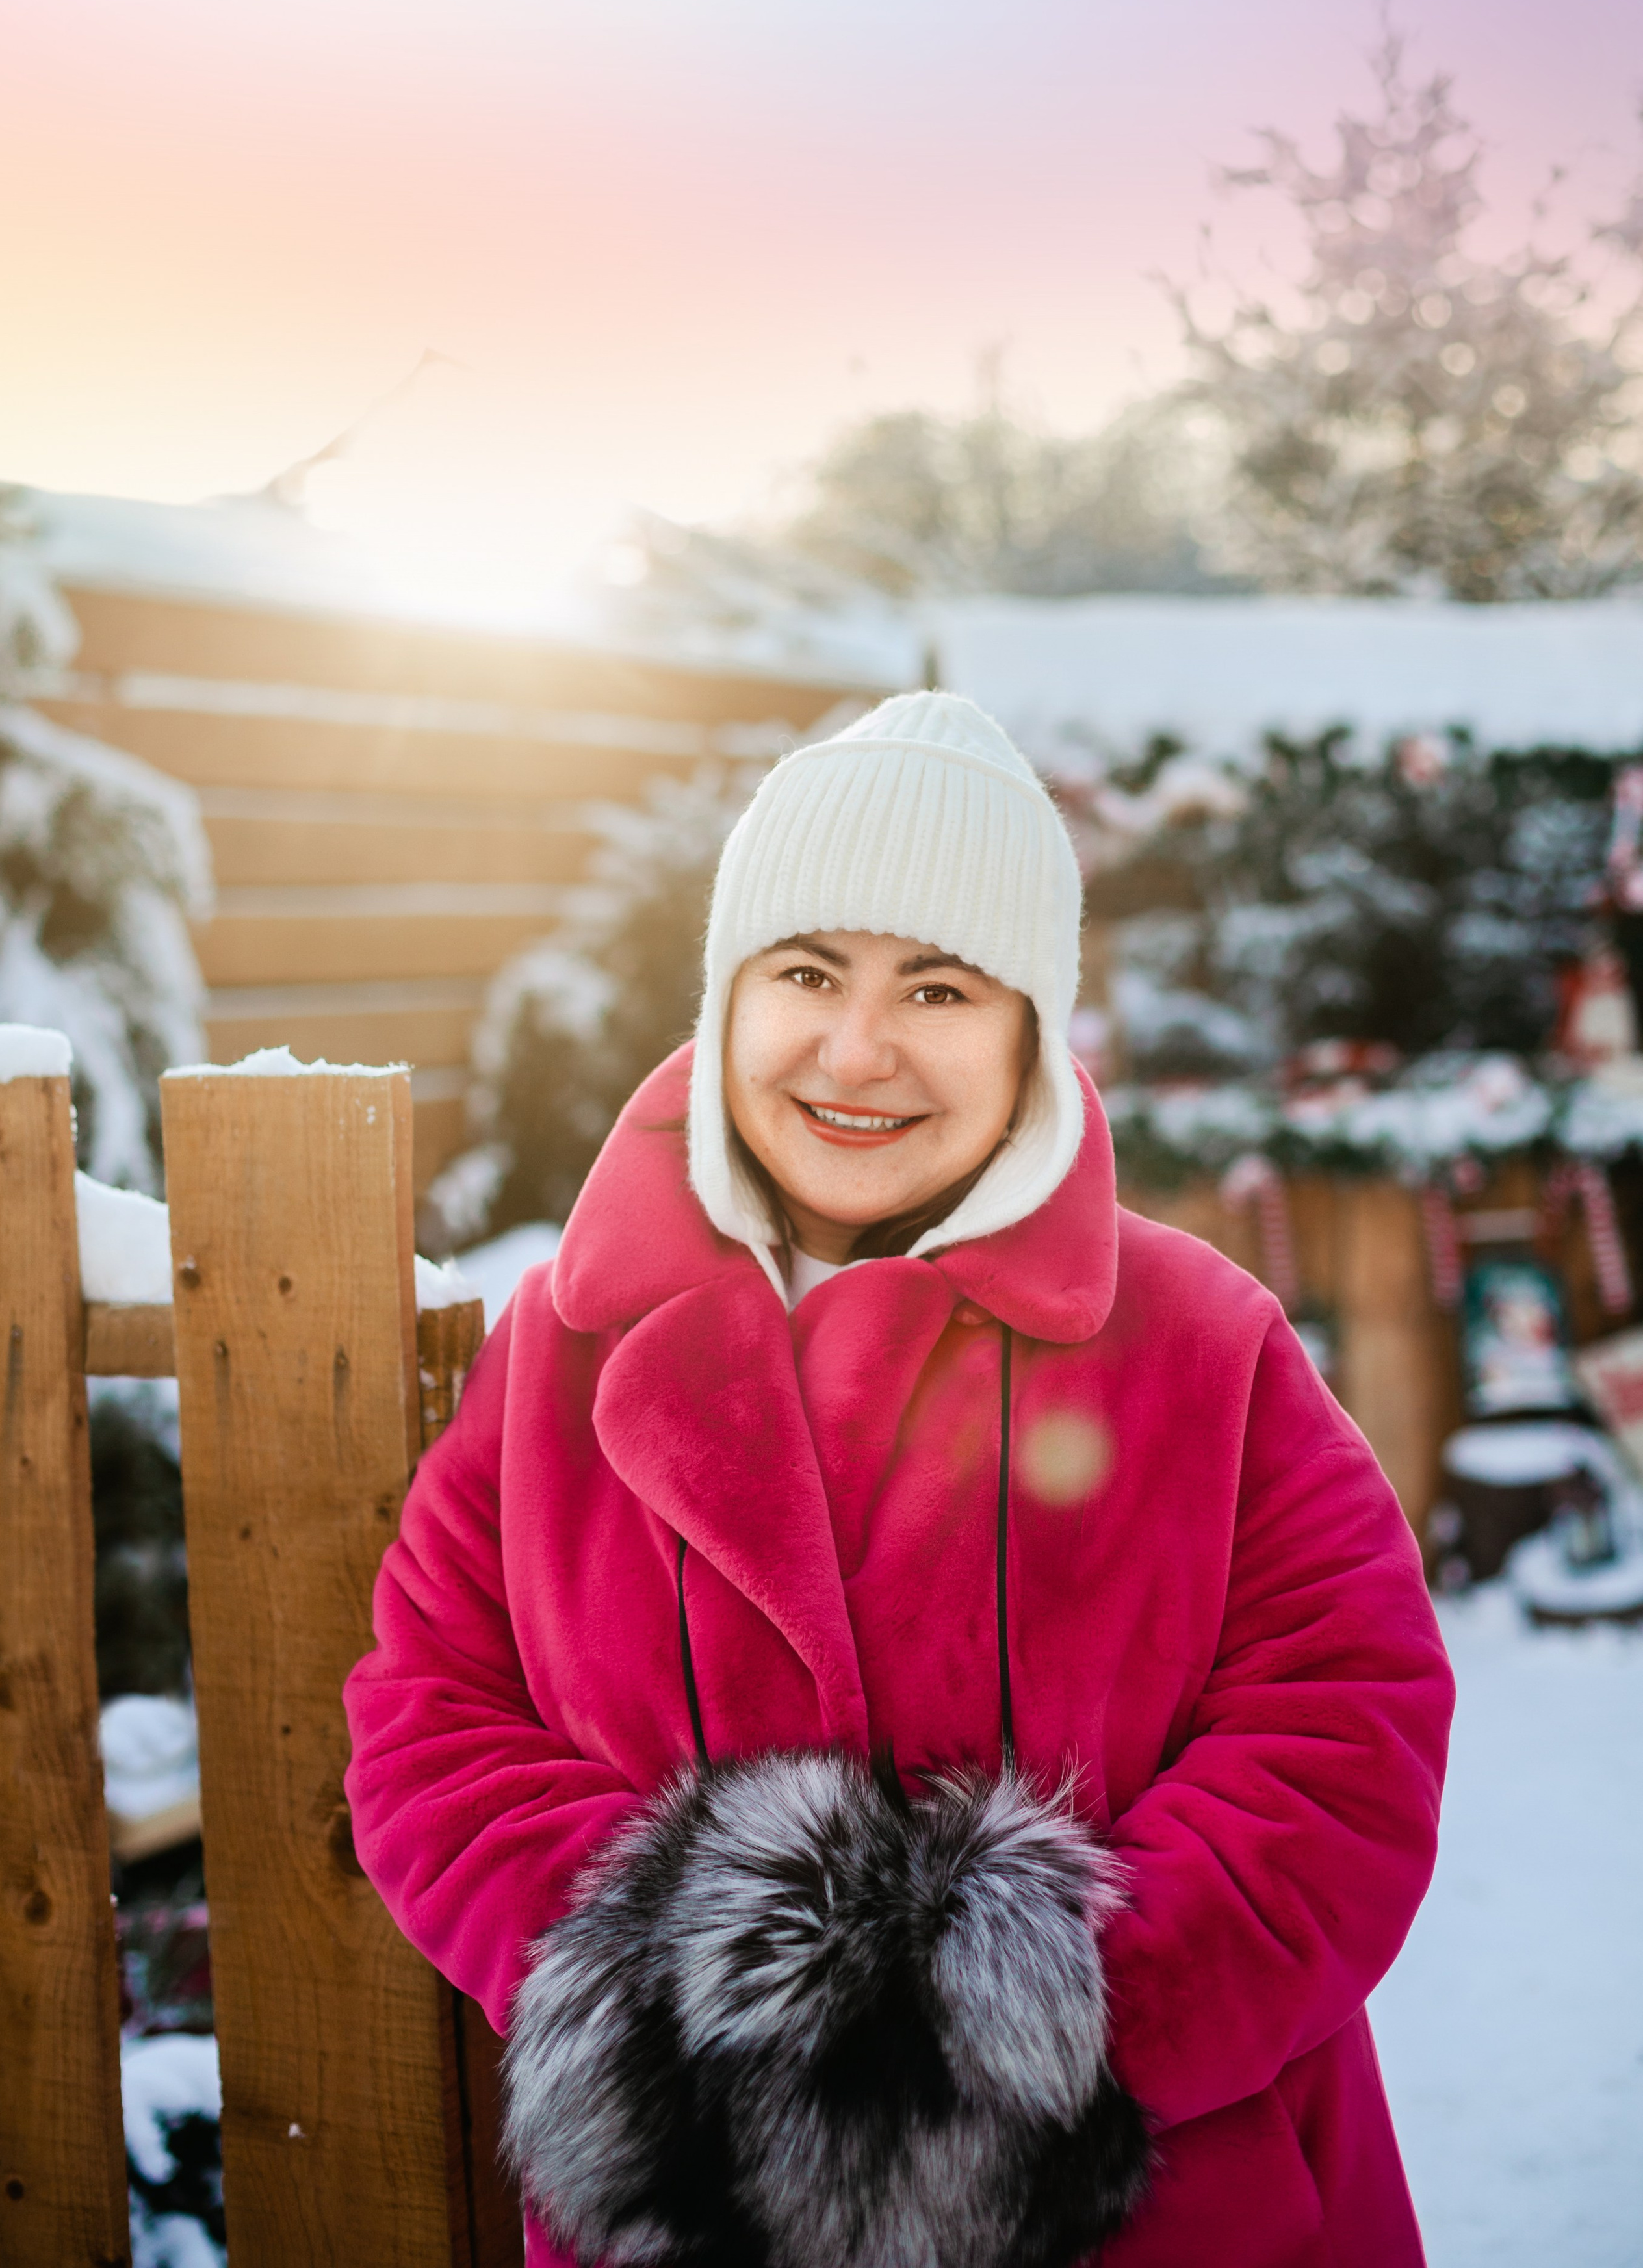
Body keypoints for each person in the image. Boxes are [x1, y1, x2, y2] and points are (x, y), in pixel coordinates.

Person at [344, 691, 1454, 2268]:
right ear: (728, 995)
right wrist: (687, 2001)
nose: (855, 1050)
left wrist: (1026, 2033)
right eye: (805, 972)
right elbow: (431, 1712)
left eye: (934, 987)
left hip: (1149, 2199)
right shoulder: (558, 1348)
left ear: (1029, 1034)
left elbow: (1341, 1727)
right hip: (692, 2203)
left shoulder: (1204, 1340)